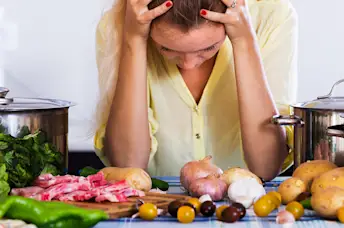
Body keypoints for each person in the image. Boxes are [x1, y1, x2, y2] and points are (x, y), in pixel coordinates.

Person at [93, 0, 298, 180]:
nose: (189, 64)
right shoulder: (120, 25)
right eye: (166, 48)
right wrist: (134, 41)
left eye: (209, 48)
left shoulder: (271, 17)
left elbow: (266, 167)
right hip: (154, 209)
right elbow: (128, 165)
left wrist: (244, 42)